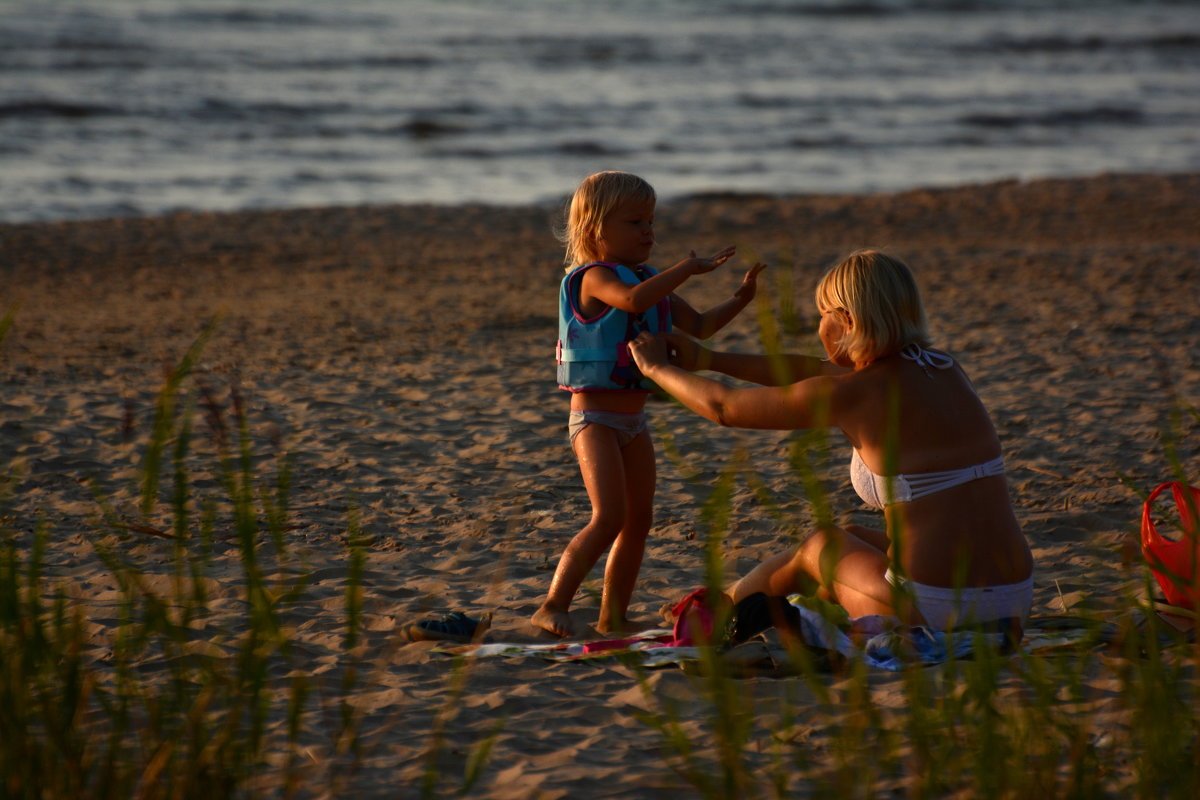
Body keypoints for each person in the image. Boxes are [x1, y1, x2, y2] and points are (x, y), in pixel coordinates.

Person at [628, 249, 1034, 637]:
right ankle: (743, 603)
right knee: (852, 535)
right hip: (1014, 599)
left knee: (819, 546)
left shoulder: (855, 393)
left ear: (849, 320)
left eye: (824, 315)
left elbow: (724, 407)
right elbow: (806, 370)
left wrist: (655, 367)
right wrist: (706, 359)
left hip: (937, 608)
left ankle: (717, 613)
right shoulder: (944, 368)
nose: (819, 327)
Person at [532, 171, 766, 638]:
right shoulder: (595, 278)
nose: (649, 232)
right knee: (609, 517)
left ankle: (612, 617)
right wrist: (687, 268)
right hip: (594, 419)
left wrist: (740, 299)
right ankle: (551, 604)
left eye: (652, 221)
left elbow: (698, 327)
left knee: (640, 520)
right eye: (636, 222)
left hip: (633, 421)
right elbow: (633, 300)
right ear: (597, 230)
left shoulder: (651, 278)